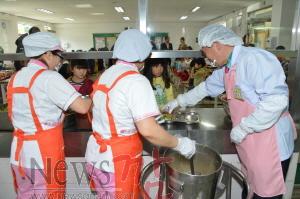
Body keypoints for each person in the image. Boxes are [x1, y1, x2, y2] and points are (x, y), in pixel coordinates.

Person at [163, 24, 297, 199]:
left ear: (217, 45)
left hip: (270, 143)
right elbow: (205, 88)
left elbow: (276, 101)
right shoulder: (228, 67)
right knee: (249, 190)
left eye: (205, 53)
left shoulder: (255, 60)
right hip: (252, 144)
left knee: (265, 196)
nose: (206, 58)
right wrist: (178, 102)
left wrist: (244, 128)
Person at [85, 29, 196, 199]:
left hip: (96, 158)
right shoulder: (136, 80)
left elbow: (109, 110)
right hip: (118, 161)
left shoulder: (105, 75)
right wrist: (180, 144)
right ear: (143, 55)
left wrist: (150, 113)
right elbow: (149, 131)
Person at [7, 32, 92, 199]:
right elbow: (82, 107)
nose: (60, 60)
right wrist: (94, 94)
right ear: (46, 54)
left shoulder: (15, 78)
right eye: (58, 55)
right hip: (43, 154)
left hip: (19, 154)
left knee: (25, 195)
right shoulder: (49, 77)